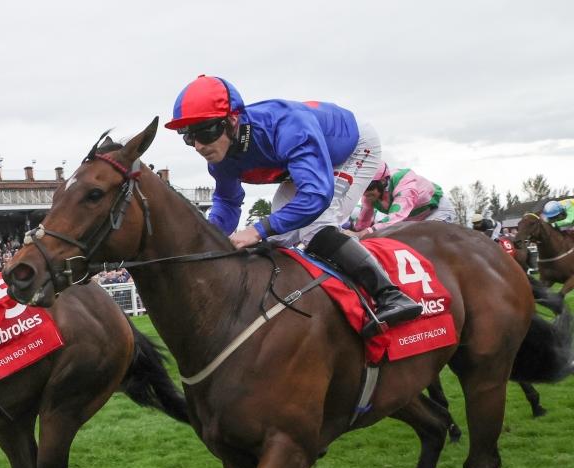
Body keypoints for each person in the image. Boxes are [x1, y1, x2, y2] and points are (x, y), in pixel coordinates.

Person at [166, 75, 422, 334]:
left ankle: (390, 295)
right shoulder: (220, 160)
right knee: (280, 236)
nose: (198, 146)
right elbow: (228, 202)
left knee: (315, 226)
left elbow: (316, 196)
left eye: (205, 131)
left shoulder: (286, 126)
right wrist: (208, 240)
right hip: (305, 163)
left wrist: (256, 230)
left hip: (353, 147)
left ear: (232, 120)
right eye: (188, 136)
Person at [355, 163, 456, 235]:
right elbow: (362, 224)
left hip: (437, 210)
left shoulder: (403, 180)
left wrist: (369, 231)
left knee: (425, 241)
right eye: (362, 186)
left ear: (382, 181)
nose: (365, 192)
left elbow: (397, 215)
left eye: (369, 186)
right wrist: (355, 234)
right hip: (412, 219)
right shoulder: (368, 196)